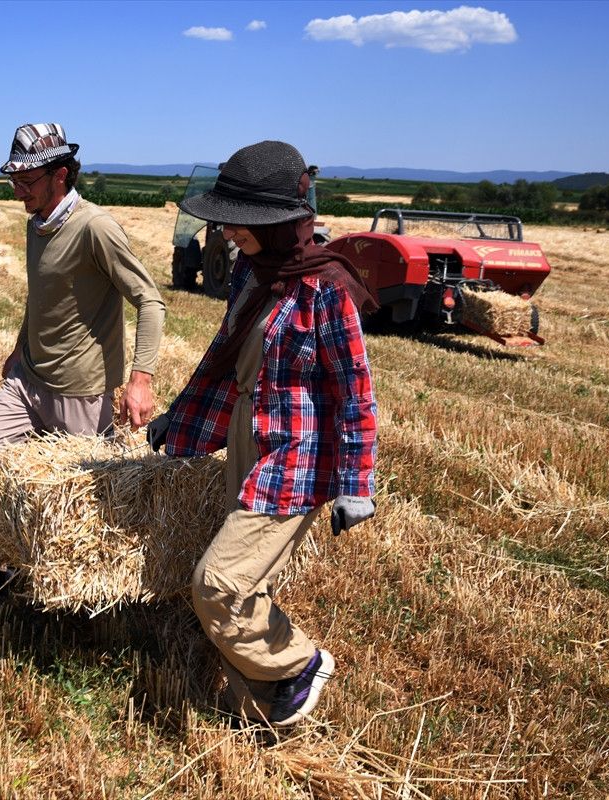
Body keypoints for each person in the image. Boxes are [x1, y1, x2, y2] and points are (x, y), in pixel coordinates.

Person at [146, 140, 378, 726]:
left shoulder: (326, 288)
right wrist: (181, 413)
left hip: (295, 457)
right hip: (248, 436)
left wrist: (357, 482)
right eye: (226, 219)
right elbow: (226, 354)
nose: (226, 231)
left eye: (240, 222)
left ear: (279, 221)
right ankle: (258, 707)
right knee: (251, 584)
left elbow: (354, 393)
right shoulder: (253, 272)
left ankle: (299, 664)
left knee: (219, 585)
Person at [0, 122, 166, 589]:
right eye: (14, 181)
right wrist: (19, 349)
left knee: (78, 498)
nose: (18, 191)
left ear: (60, 175)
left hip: (79, 391)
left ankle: (71, 597)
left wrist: (140, 378)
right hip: (28, 380)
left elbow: (150, 300)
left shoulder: (95, 228)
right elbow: (40, 297)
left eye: (26, 181)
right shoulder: (36, 224)